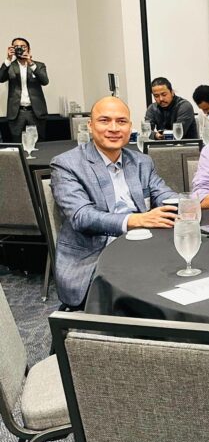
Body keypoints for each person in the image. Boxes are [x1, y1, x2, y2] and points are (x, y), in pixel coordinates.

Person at [51, 97, 177, 310]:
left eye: (121, 121)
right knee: (157, 282)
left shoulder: (141, 162)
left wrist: (189, 204)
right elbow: (82, 216)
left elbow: (164, 195)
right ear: (90, 125)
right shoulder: (67, 164)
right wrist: (137, 220)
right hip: (94, 258)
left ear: (130, 127)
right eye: (104, 120)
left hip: (144, 246)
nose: (114, 128)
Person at [0, 37, 49, 142]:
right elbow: (1, 78)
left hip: (35, 112)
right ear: (12, 49)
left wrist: (31, 63)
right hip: (17, 113)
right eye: (16, 47)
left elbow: (45, 81)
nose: (20, 49)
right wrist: (8, 59)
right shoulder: (10, 66)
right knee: (18, 143)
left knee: (39, 143)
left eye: (23, 47)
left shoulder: (38, 65)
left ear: (29, 49)